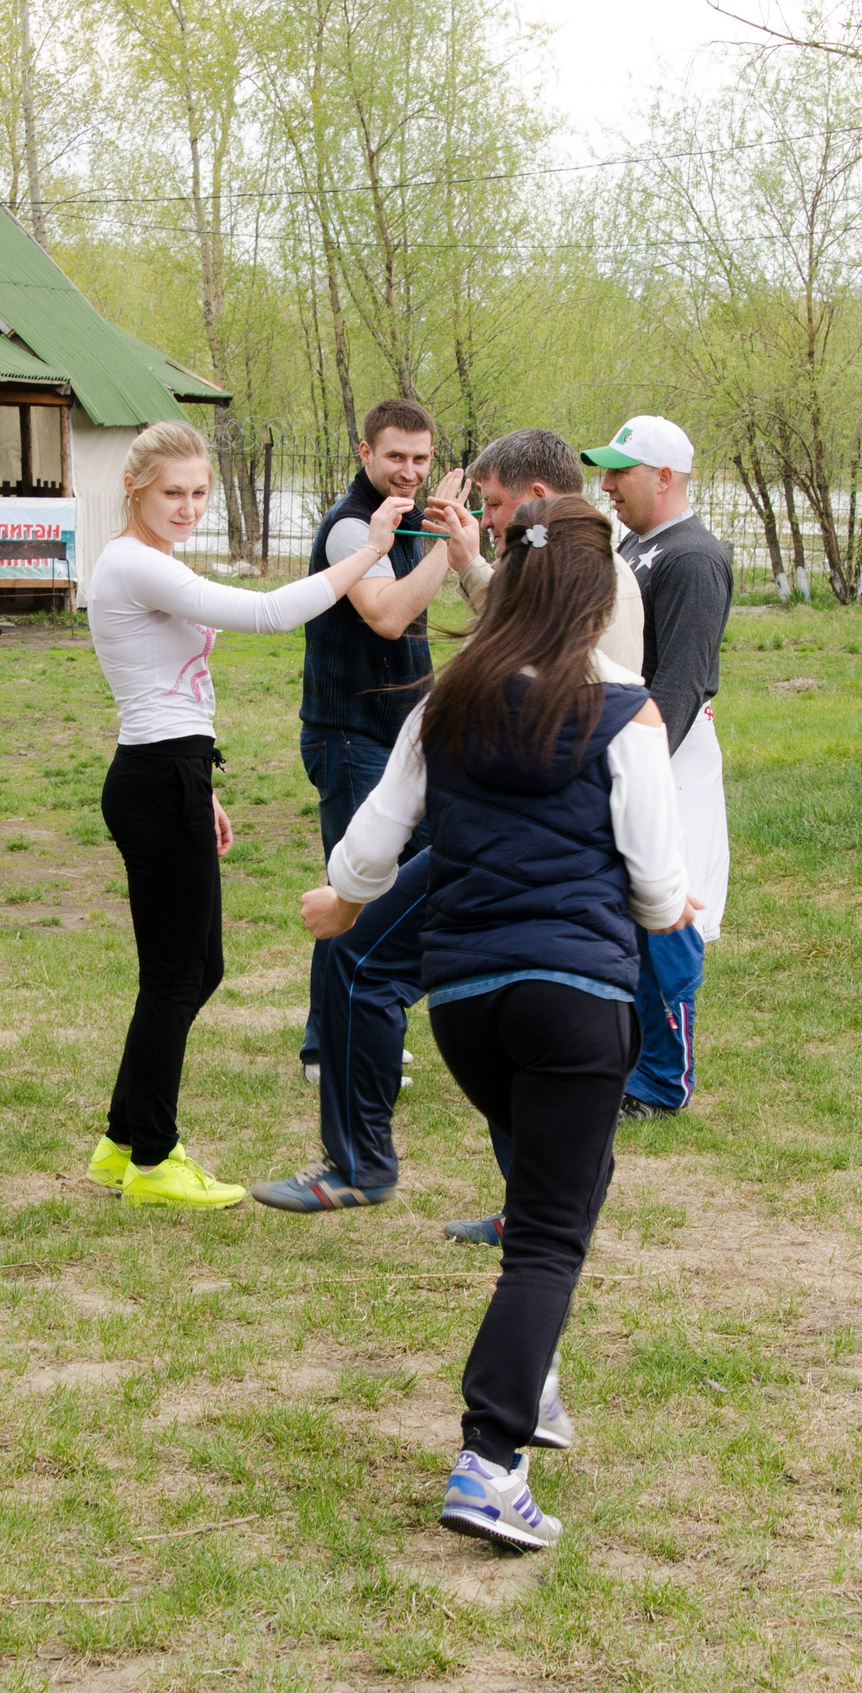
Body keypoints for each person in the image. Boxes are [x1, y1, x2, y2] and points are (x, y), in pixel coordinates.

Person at [299, 495, 694, 1553]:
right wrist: (674, 905)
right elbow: (658, 893)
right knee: (551, 1236)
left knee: (553, 1195)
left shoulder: (446, 702)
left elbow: (372, 846)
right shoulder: (628, 714)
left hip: (467, 1006)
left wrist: (337, 901)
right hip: (576, 1003)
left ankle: (538, 1382)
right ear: (597, 601)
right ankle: (490, 1459)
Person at [253, 427, 642, 1221]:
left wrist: (348, 893)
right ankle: (523, 1198)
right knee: (507, 1006)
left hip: (520, 840)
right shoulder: (572, 569)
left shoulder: (594, 588)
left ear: (537, 503)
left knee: (388, 965)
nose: (487, 521)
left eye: (494, 508)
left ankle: (387, 1170)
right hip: (529, 846)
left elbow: (563, 668)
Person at [85, 420, 410, 1209]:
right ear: (135, 489)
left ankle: (122, 1141)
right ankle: (155, 1160)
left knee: (201, 968)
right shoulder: (134, 563)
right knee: (174, 976)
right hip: (157, 776)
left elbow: (168, 695)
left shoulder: (151, 560)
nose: (188, 507)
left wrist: (203, 786)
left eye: (199, 493)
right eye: (173, 493)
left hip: (174, 772)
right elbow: (267, 614)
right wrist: (367, 553)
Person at [292, 399, 484, 1097]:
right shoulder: (351, 528)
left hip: (406, 738)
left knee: (429, 870)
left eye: (421, 458)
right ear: (364, 452)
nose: (409, 470)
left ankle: (376, 1014)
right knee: (357, 881)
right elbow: (389, 615)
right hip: (349, 735)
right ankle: (329, 1043)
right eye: (395, 455)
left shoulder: (406, 519)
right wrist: (447, 550)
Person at [579, 417, 732, 1117]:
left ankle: (664, 1078)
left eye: (621, 472)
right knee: (633, 911)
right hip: (633, 743)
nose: (607, 485)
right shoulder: (638, 547)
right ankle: (632, 1062)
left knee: (669, 911)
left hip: (665, 750)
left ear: (664, 478)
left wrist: (632, 760)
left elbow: (682, 681)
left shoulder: (692, 558)